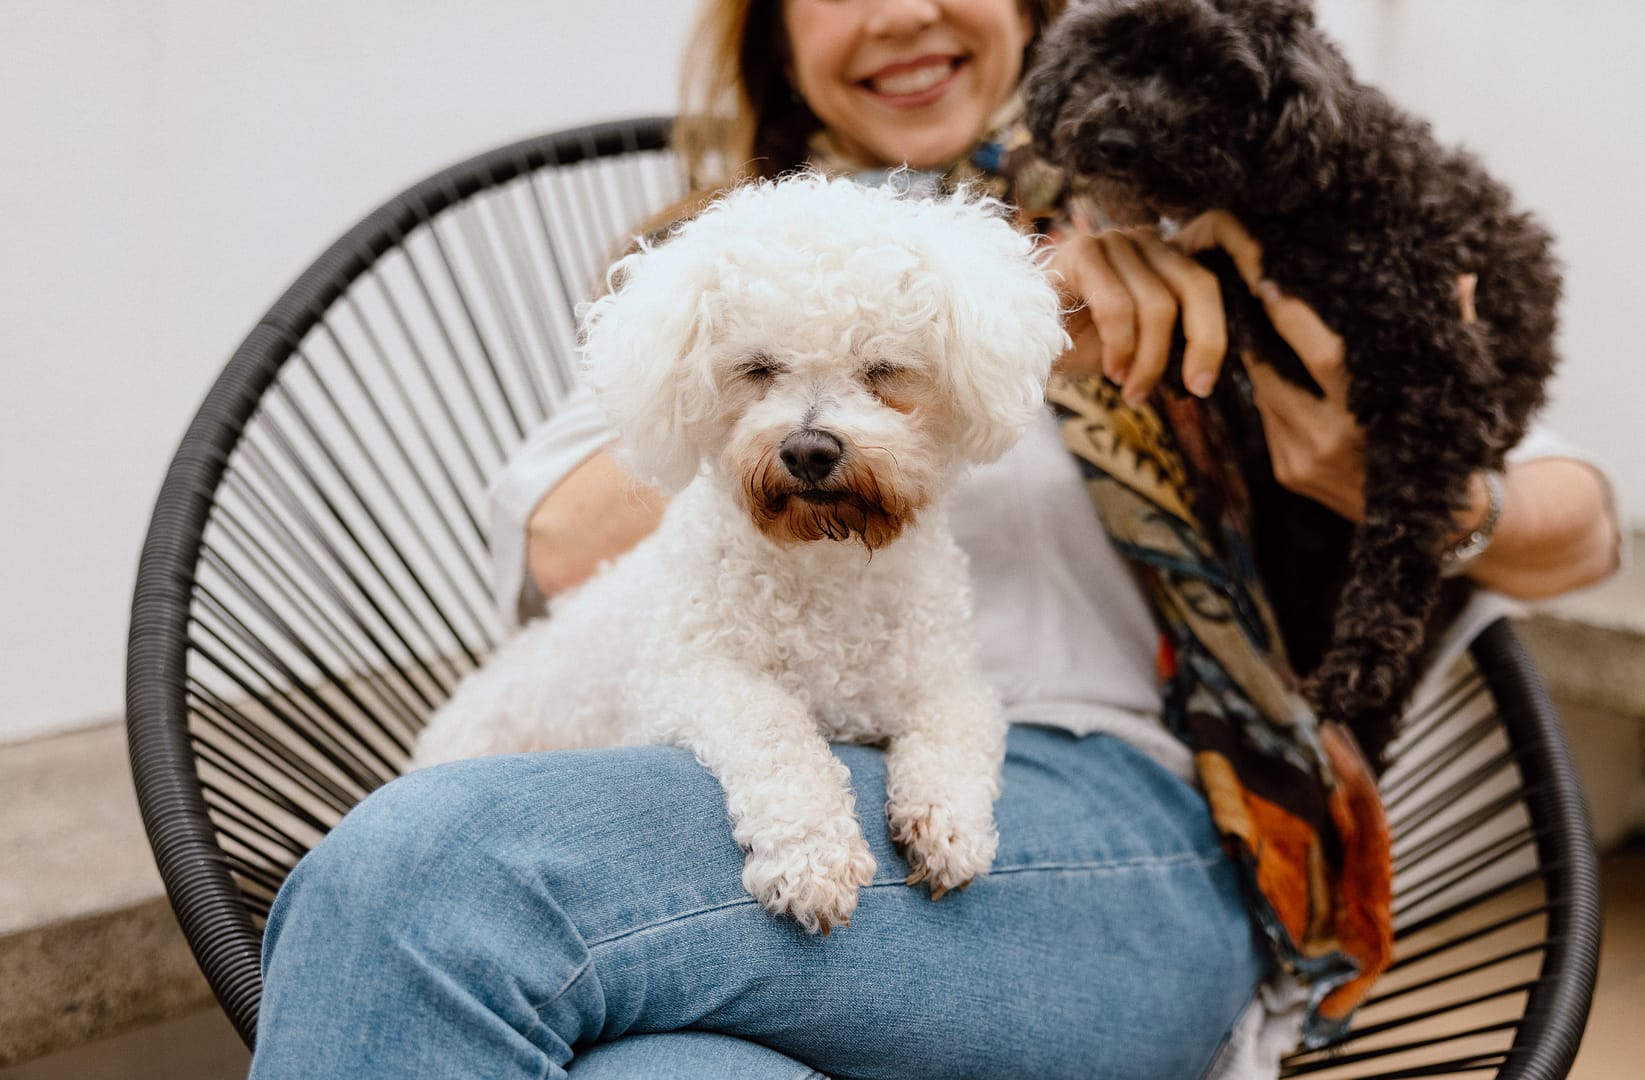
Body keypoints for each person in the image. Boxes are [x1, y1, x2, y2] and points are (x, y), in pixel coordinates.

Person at [248, 2, 1621, 1077]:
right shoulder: (725, 263)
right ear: (781, 36)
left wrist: (1389, 479)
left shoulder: (1209, 229)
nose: (900, 13)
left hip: (1116, 828)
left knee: (424, 873)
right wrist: (772, 369)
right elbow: (561, 551)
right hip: (717, 804)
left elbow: (1581, 528)